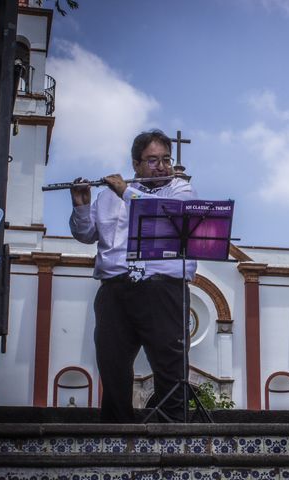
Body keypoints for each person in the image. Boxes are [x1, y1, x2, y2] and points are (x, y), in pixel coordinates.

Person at [69, 129, 197, 423]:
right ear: (136, 164)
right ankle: (116, 428)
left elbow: (168, 217)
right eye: (152, 161)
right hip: (115, 288)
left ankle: (173, 425)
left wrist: (126, 192)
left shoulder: (180, 191)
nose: (162, 167)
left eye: (166, 159)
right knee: (112, 361)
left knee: (169, 360)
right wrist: (82, 205)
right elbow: (86, 234)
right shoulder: (106, 197)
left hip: (163, 287)